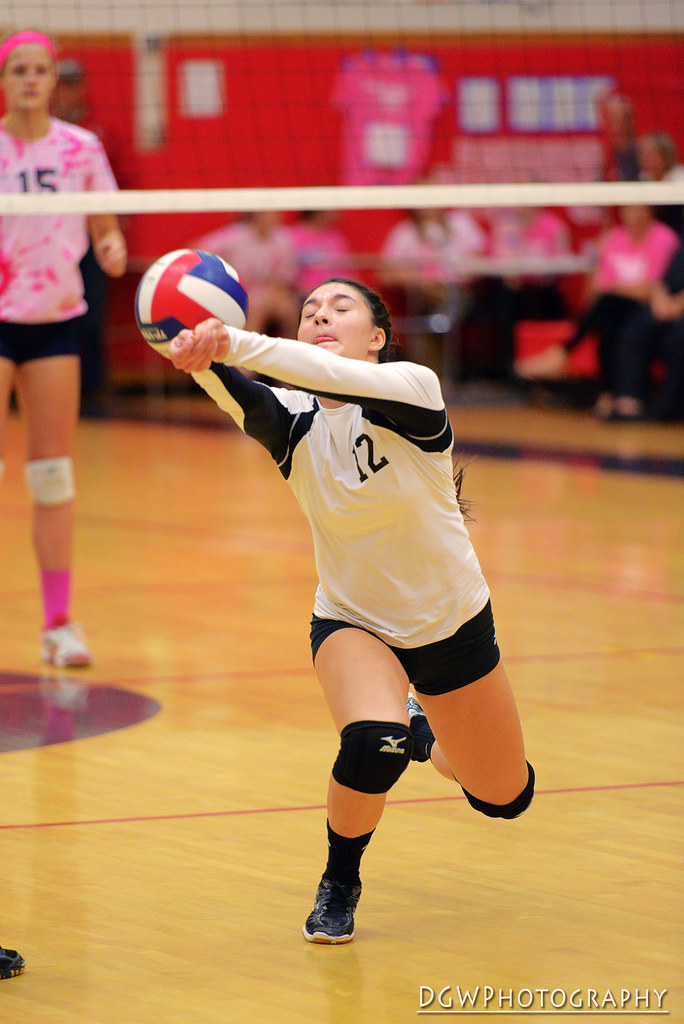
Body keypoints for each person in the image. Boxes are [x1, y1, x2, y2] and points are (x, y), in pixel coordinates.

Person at [162, 276, 534, 944]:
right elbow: (229, 384)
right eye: (309, 312)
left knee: (504, 796)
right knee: (371, 743)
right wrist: (191, 352)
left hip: (451, 623)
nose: (320, 317)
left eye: (340, 308)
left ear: (378, 339)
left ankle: (426, 734)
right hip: (352, 618)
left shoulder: (415, 390)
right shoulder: (293, 421)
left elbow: (309, 368)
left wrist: (235, 340)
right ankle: (341, 881)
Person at [0, 30, 127, 666]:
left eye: (39, 69)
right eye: (18, 68)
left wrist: (109, 247)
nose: (29, 78)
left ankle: (58, 624)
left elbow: (103, 222)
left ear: (54, 79)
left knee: (52, 476)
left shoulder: (81, 148)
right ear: (4, 79)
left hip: (54, 320)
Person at [514, 205, 679, 418]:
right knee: (608, 322)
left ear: (650, 212)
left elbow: (653, 287)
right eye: (630, 210)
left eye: (640, 210)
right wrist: (624, 288)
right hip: (617, 308)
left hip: (647, 309)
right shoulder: (614, 237)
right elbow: (601, 283)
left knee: (607, 307)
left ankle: (565, 355)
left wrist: (620, 288)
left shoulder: (664, 237)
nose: (635, 215)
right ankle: (607, 393)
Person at [194, 211, 300, 339]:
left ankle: (289, 353)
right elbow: (198, 249)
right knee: (255, 308)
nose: (275, 217)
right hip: (240, 292)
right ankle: (247, 353)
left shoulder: (281, 238)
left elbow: (285, 275)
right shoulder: (234, 236)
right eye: (269, 213)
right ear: (256, 216)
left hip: (272, 293)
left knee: (291, 309)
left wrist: (276, 290)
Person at [610, 240, 684, 421]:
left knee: (678, 338)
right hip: (668, 305)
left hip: (678, 309)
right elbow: (662, 280)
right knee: (637, 328)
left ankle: (668, 408)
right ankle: (630, 402)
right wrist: (660, 300)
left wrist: (677, 307)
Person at [287, 209, 353, 300]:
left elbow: (347, 271)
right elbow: (288, 272)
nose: (338, 213)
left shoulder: (336, 238)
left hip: (336, 293)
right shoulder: (292, 236)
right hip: (303, 294)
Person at [637, 132, 684, 236]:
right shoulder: (644, 179)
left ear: (665, 155)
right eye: (643, 154)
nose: (644, 158)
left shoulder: (679, 178)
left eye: (650, 153)